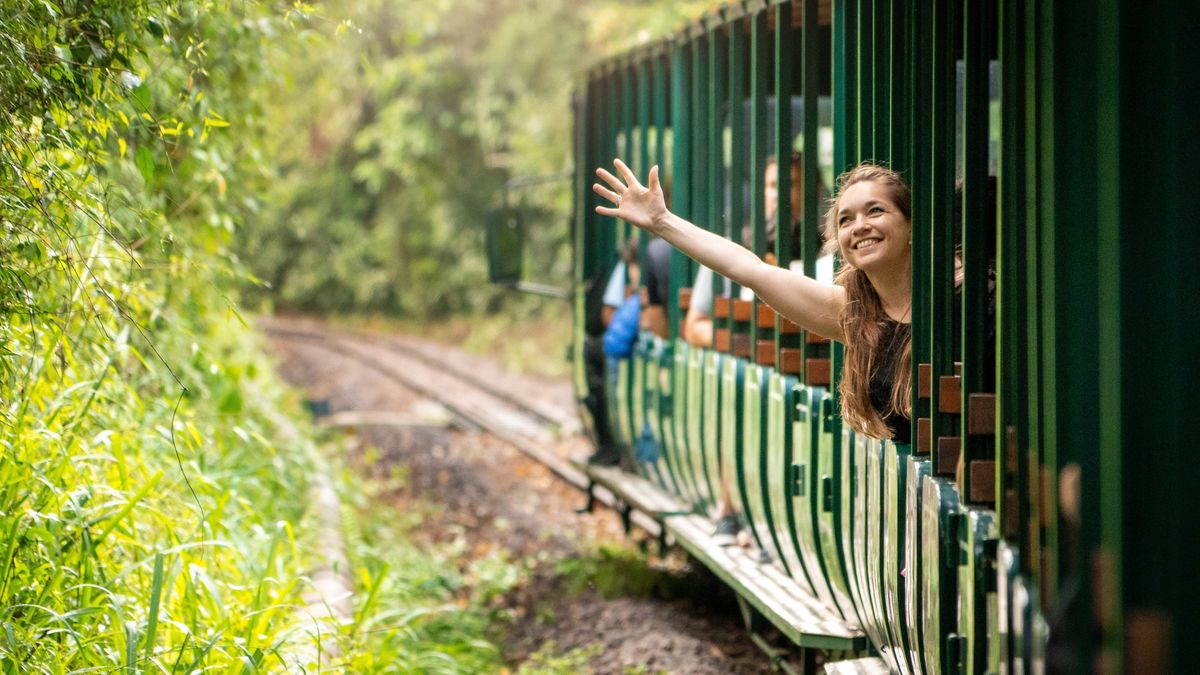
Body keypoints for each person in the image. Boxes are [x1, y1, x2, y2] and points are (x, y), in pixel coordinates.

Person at [595, 159, 914, 443]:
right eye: (846, 219)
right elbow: (750, 270)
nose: (860, 226)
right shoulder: (854, 314)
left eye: (876, 210)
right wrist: (662, 221)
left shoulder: (952, 298)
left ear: (910, 222)